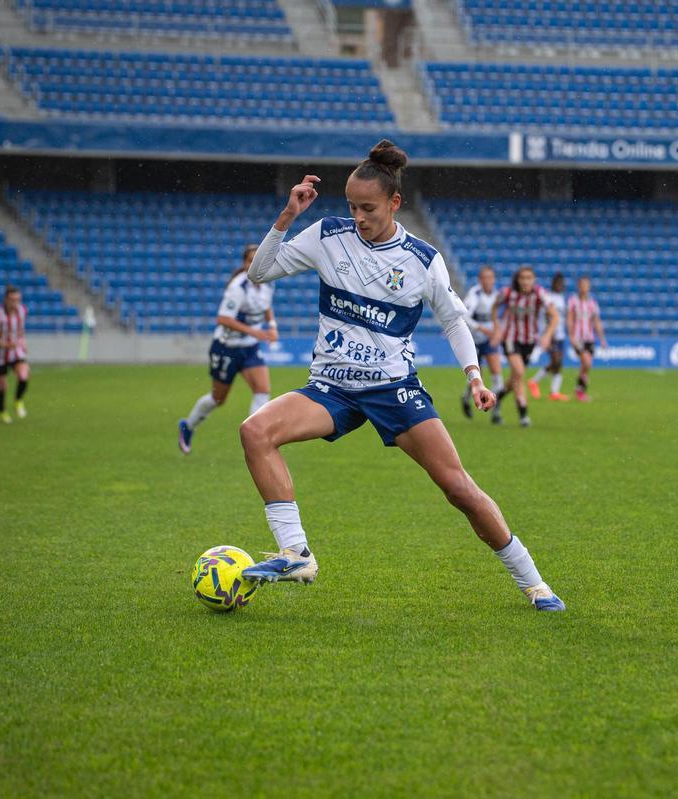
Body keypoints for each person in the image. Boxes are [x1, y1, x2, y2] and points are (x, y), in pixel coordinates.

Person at [235, 140, 565, 611]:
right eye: (351, 205)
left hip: (394, 389)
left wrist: (474, 376)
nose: (358, 216)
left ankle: (534, 582)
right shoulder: (328, 235)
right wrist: (288, 216)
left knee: (458, 488)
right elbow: (260, 272)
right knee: (255, 431)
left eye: (367, 207)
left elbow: (453, 320)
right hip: (332, 389)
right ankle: (296, 553)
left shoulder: (421, 259)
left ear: (394, 203)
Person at [178, 244, 277, 454]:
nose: (254, 265)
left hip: (249, 348)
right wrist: (255, 332)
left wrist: (272, 326)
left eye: (258, 260)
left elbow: (266, 306)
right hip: (226, 348)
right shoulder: (237, 287)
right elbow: (223, 319)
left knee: (263, 389)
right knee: (218, 399)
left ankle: (256, 438)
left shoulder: (267, 283)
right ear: (245, 264)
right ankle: (188, 426)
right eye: (250, 261)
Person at [490, 266, 558, 427]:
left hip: (530, 341)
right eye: (522, 278)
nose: (525, 281)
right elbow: (494, 307)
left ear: (533, 279)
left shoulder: (540, 294)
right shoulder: (507, 293)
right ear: (518, 280)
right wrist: (497, 329)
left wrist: (547, 335)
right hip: (510, 339)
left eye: (529, 277)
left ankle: (496, 398)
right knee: (519, 373)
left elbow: (555, 316)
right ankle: (524, 416)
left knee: (515, 377)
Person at [460, 264, 504, 424]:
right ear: (480, 280)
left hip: (489, 340)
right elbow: (464, 316)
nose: (488, 281)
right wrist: (481, 328)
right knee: (477, 374)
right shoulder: (474, 294)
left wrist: (496, 332)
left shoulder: (497, 295)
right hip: (472, 340)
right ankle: (466, 397)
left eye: (490, 278)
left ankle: (496, 412)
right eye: (484, 278)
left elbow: (499, 318)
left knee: (497, 372)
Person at [0, 284, 28, 424]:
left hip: (16, 352)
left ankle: (18, 400)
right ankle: (3, 412)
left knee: (23, 376)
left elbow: (20, 330)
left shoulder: (22, 311)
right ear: (6, 299)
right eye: (12, 299)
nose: (15, 302)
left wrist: (22, 342)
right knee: (2, 387)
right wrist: (5, 345)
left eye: (18, 299)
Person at [528, 272, 570, 401]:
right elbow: (547, 315)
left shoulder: (562, 298)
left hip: (560, 334)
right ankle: (534, 381)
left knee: (558, 363)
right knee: (556, 360)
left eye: (561, 283)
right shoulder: (549, 297)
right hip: (551, 334)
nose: (560, 285)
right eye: (558, 283)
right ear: (553, 284)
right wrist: (548, 333)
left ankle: (554, 392)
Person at [566, 275, 608, 402]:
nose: (584, 288)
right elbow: (569, 319)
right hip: (578, 338)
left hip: (590, 338)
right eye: (582, 285)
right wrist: (571, 336)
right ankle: (580, 390)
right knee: (586, 362)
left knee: (586, 366)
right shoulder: (573, 301)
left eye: (586, 285)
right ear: (579, 286)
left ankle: (579, 390)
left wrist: (602, 338)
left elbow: (596, 321)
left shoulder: (592, 303)